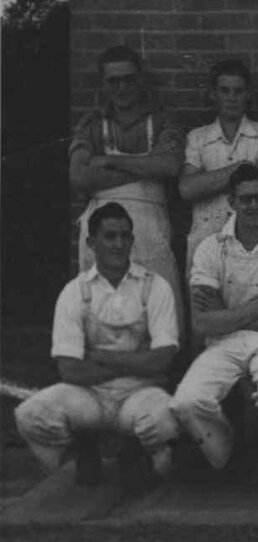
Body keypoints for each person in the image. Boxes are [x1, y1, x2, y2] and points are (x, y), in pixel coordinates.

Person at [16, 203, 180, 485]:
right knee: (30, 414)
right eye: (110, 236)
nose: (118, 244)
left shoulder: (155, 286)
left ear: (132, 240)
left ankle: (138, 450)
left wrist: (98, 356)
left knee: (167, 418)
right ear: (91, 243)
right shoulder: (74, 292)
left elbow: (164, 359)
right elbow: (69, 370)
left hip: (139, 392)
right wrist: (141, 363)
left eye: (125, 236)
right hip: (89, 396)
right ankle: (81, 445)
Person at [170, 165, 258, 482]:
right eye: (245, 199)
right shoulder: (211, 247)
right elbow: (203, 322)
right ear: (231, 202)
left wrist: (228, 315)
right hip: (225, 342)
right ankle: (225, 454)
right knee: (187, 401)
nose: (253, 205)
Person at [69, 45, 185, 335]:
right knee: (101, 312)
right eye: (114, 81)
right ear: (103, 84)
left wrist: (108, 161)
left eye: (128, 79)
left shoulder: (163, 120)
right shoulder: (91, 125)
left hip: (150, 226)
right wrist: (147, 166)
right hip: (101, 226)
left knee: (157, 312)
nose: (122, 88)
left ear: (140, 80)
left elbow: (170, 166)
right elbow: (80, 176)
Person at [179, 59, 258, 273]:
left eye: (238, 91)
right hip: (205, 237)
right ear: (213, 94)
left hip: (254, 240)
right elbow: (187, 189)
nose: (232, 97)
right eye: (225, 90)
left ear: (248, 95)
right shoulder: (197, 137)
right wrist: (241, 169)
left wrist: (210, 181)